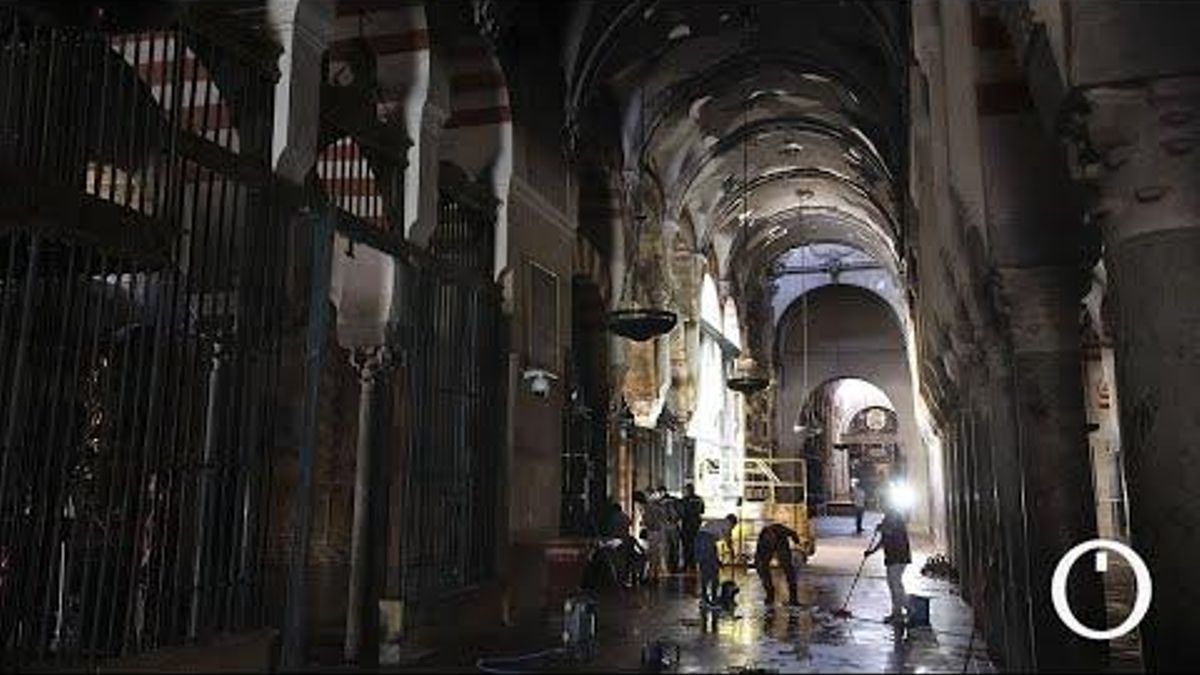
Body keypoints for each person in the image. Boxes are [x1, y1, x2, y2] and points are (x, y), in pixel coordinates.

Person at [865, 507, 912, 623]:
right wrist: (872, 552)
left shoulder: (895, 517)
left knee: (895, 585)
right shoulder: (888, 518)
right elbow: (884, 540)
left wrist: (882, 528)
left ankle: (909, 608)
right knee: (894, 585)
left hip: (898, 557)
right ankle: (897, 613)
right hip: (892, 558)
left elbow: (891, 532)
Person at [695, 514, 738, 607]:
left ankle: (704, 598)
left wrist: (717, 560)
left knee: (704, 571)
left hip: (698, 540)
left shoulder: (717, 522)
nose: (733, 528)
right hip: (706, 541)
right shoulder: (727, 524)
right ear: (733, 522)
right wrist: (732, 552)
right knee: (714, 571)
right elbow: (728, 540)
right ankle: (714, 599)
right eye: (734, 526)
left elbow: (713, 549)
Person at [755, 523, 801, 606]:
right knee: (762, 566)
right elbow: (759, 563)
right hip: (768, 546)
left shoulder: (781, 531)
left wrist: (797, 543)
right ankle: (770, 594)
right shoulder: (763, 539)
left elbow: (793, 534)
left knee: (788, 567)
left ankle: (793, 598)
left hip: (780, 542)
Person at [634, 490, 668, 582]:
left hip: (652, 532)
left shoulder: (647, 508)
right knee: (657, 555)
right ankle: (655, 575)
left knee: (651, 555)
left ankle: (650, 576)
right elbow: (664, 519)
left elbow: (649, 522)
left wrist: (643, 523)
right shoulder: (658, 507)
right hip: (660, 532)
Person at [655, 485, 682, 573]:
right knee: (675, 547)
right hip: (674, 526)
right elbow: (680, 512)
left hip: (665, 528)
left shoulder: (659, 502)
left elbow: (658, 516)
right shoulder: (675, 500)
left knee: (667, 547)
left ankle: (669, 567)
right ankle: (675, 566)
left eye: (659, 492)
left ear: (661, 492)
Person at [679, 483, 705, 572]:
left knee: (686, 546)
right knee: (694, 545)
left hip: (686, 525)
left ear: (688, 490)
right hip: (696, 525)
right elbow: (702, 511)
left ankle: (686, 565)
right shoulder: (699, 499)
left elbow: (681, 513)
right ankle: (693, 565)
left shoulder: (684, 500)